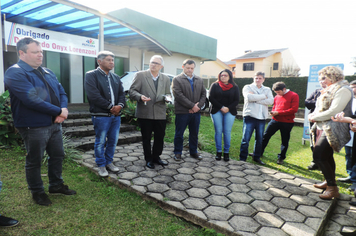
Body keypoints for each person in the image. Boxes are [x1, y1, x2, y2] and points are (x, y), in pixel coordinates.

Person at [4, 37, 76, 206]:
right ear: (22, 53)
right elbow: (32, 100)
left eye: (41, 52)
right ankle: (37, 192)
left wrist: (62, 111)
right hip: (33, 125)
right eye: (35, 52)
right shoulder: (15, 72)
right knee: (35, 160)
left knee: (57, 155)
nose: (40, 55)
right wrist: (59, 111)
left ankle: (56, 185)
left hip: (54, 123)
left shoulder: (47, 71)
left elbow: (62, 92)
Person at [309, 66, 352, 200]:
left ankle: (333, 189)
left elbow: (334, 111)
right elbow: (320, 108)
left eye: (323, 78)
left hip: (333, 128)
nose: (321, 81)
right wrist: (315, 114)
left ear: (333, 76)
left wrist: (314, 117)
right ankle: (329, 182)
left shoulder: (343, 89)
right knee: (327, 156)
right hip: (323, 126)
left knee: (318, 156)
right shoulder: (330, 89)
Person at [85, 51, 125, 177]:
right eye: (108, 60)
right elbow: (93, 95)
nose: (112, 62)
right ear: (99, 61)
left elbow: (122, 94)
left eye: (113, 60)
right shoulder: (91, 75)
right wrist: (110, 107)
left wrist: (120, 106)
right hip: (100, 115)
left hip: (116, 116)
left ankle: (109, 162)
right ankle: (101, 165)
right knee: (101, 141)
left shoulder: (116, 77)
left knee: (113, 141)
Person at [129, 55, 171, 169]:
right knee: (146, 138)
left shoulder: (166, 78)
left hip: (160, 112)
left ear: (161, 66)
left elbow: (168, 93)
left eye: (156, 63)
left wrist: (168, 98)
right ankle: (148, 159)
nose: (153, 65)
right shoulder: (141, 75)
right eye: (152, 62)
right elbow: (132, 91)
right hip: (145, 112)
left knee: (159, 137)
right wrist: (140, 96)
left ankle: (157, 157)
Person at [172, 59, 207, 161]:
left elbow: (203, 94)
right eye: (188, 68)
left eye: (192, 68)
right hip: (182, 112)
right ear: (183, 67)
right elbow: (178, 95)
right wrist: (192, 106)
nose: (190, 70)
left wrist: (198, 106)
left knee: (194, 133)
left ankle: (194, 152)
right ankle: (177, 153)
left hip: (195, 113)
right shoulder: (177, 79)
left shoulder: (199, 79)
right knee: (179, 133)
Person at [260, 82, 299, 165]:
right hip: (275, 120)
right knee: (265, 136)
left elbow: (294, 109)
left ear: (284, 89)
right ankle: (259, 153)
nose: (278, 94)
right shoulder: (277, 96)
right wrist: (273, 112)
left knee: (284, 140)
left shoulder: (294, 95)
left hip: (287, 122)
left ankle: (281, 157)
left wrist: (279, 113)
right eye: (276, 93)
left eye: (279, 92)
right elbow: (275, 106)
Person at [239, 71, 273, 165]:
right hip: (250, 116)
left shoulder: (267, 89)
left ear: (263, 79)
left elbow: (270, 101)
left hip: (261, 117)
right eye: (256, 78)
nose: (258, 80)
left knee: (259, 139)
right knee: (246, 138)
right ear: (253, 78)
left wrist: (256, 99)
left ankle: (256, 157)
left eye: (260, 78)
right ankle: (243, 158)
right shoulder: (248, 87)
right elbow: (249, 98)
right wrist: (263, 97)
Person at [209, 69, 239, 162]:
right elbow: (211, 98)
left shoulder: (235, 87)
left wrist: (228, 108)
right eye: (221, 75)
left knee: (227, 132)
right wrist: (221, 107)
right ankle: (218, 152)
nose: (223, 77)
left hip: (230, 111)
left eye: (225, 75)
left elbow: (236, 100)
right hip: (217, 110)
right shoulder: (215, 85)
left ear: (230, 76)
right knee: (218, 131)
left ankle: (226, 152)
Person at [305, 79, 327, 170]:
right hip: (314, 121)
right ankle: (315, 162)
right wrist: (320, 103)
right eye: (320, 80)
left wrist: (317, 102)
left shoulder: (334, 92)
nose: (322, 82)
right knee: (313, 142)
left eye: (324, 80)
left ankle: (324, 165)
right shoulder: (316, 91)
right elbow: (307, 102)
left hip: (326, 122)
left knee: (324, 145)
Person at [337, 80, 356, 184]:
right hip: (349, 133)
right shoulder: (349, 100)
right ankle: (350, 175)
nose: (351, 89)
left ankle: (354, 179)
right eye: (350, 87)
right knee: (348, 155)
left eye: (353, 87)